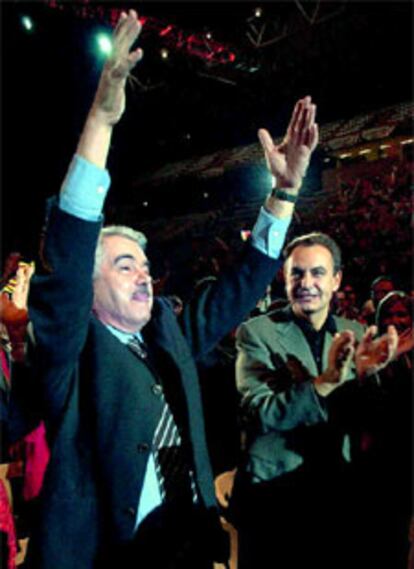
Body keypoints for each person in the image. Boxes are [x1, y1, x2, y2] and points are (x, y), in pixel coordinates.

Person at [19, 10, 319, 568]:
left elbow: (236, 290)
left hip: (189, 544)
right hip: (108, 555)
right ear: (87, 285)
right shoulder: (69, 348)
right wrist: (101, 126)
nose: (142, 273)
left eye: (144, 262)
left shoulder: (168, 331)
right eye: (123, 263)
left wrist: (284, 194)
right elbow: (63, 271)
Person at [232, 231, 398, 569]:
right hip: (276, 505)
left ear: (336, 279)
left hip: (342, 501)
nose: (306, 282)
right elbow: (259, 415)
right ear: (285, 277)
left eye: (317, 272)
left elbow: (374, 425)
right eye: (297, 273)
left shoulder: (355, 330)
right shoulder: (257, 333)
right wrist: (324, 383)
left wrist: (370, 376)